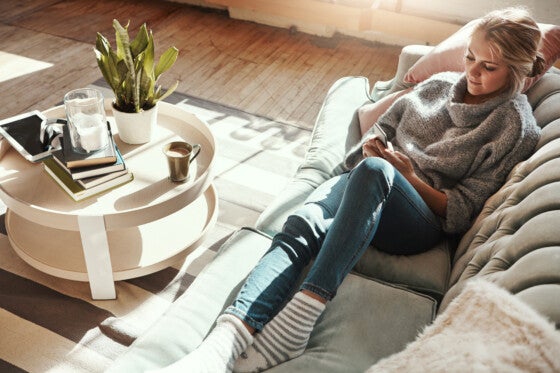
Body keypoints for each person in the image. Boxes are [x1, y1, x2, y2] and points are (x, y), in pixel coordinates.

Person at [155, 7, 545, 373]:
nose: (472, 72)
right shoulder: (440, 85)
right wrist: (374, 146)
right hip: (371, 181)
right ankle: (222, 344)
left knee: (374, 171)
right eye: (470, 58)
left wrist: (407, 176)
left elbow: (460, 210)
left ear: (516, 71)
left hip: (417, 219)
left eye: (488, 66)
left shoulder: (515, 127)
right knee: (304, 220)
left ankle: (301, 317)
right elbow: (382, 128)